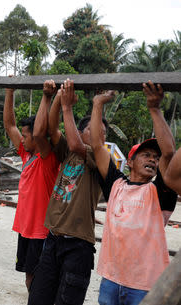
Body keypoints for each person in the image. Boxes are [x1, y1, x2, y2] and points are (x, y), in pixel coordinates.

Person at [91, 81, 177, 305]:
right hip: (111, 278)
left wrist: (154, 109)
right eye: (146, 155)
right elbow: (97, 146)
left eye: (154, 158)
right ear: (130, 161)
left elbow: (169, 152)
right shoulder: (116, 185)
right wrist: (98, 104)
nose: (152, 159)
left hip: (145, 284)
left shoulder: (160, 190)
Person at [28, 79, 110, 305]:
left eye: (102, 132)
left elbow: (75, 144)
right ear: (83, 132)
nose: (98, 135)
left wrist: (67, 106)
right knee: (37, 298)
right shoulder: (68, 154)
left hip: (78, 247)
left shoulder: (101, 158)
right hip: (53, 239)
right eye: (93, 130)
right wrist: (57, 96)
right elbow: (51, 129)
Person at [3, 81, 60, 291]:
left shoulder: (47, 158)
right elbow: (10, 125)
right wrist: (9, 91)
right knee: (29, 276)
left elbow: (37, 134)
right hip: (26, 230)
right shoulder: (27, 155)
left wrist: (47, 97)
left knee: (39, 280)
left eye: (26, 136)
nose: (23, 140)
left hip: (41, 231)